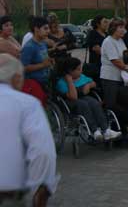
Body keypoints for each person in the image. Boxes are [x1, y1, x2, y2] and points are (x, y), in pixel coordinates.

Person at [0, 53, 59, 207]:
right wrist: (41, 186)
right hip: (7, 191)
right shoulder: (27, 103)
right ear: (16, 78)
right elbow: (43, 151)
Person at [55, 57, 121, 142]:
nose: (81, 71)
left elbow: (93, 83)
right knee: (83, 104)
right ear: (70, 71)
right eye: (78, 69)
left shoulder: (81, 77)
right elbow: (73, 97)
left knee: (94, 103)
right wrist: (70, 81)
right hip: (70, 103)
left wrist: (88, 85)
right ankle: (95, 131)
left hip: (83, 98)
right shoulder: (62, 83)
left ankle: (106, 130)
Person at [100, 18, 128, 110]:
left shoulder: (120, 41)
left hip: (121, 76)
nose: (123, 30)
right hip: (110, 77)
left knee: (122, 101)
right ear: (113, 28)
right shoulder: (108, 41)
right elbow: (115, 61)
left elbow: (124, 57)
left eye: (123, 27)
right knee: (112, 103)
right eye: (120, 27)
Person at [20, 16, 53, 104]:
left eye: (48, 28)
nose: (48, 31)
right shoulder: (29, 47)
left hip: (45, 81)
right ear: (36, 29)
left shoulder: (42, 44)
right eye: (45, 28)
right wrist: (43, 65)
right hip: (34, 84)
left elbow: (43, 59)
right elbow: (23, 67)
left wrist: (49, 61)